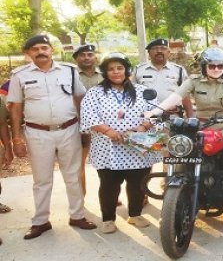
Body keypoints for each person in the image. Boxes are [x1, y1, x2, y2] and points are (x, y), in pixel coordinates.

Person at [8, 35, 97, 239]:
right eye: (35, 49)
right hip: (37, 133)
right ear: (28, 53)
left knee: (73, 176)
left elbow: (79, 99)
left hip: (69, 130)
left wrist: (84, 129)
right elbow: (16, 108)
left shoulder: (69, 71)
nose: (40, 51)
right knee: (41, 179)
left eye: (44, 47)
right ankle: (40, 221)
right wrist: (17, 139)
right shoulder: (19, 75)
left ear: (51, 50)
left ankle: (77, 215)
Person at [80, 53, 162, 234]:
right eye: (111, 69)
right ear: (105, 72)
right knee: (109, 184)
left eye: (119, 68)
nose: (116, 72)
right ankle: (108, 219)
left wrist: (141, 128)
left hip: (139, 145)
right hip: (108, 146)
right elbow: (89, 116)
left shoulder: (142, 91)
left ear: (126, 70)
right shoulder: (95, 93)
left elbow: (155, 113)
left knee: (138, 182)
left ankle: (135, 214)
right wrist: (110, 132)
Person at [150, 48, 223, 187]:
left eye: (220, 66)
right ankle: (178, 180)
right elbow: (176, 96)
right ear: (203, 66)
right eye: (212, 66)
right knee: (182, 144)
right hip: (201, 125)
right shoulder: (194, 81)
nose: (216, 69)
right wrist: (155, 111)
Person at [73, 43, 103, 198]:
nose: (86, 57)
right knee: (79, 164)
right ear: (76, 58)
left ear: (95, 57)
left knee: (106, 163)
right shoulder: (71, 75)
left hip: (104, 127)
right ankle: (80, 197)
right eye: (82, 55)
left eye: (89, 54)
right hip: (78, 126)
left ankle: (110, 195)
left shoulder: (105, 74)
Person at [133, 38, 193, 117]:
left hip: (172, 117)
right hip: (147, 117)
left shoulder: (179, 70)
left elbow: (185, 96)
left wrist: (190, 118)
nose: (159, 51)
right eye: (155, 49)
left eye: (163, 48)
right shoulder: (138, 70)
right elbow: (132, 95)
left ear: (168, 53)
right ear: (149, 53)